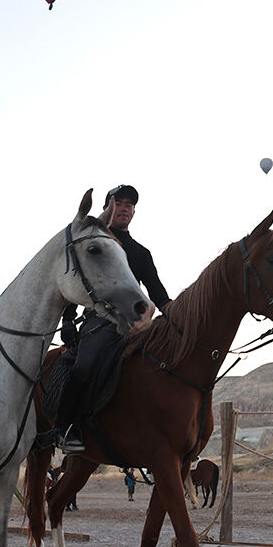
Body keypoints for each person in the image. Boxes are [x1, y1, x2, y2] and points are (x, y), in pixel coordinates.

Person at [57, 184, 172, 452]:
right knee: (84, 366)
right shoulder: (91, 243)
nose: (124, 209)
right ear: (107, 208)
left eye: (129, 205)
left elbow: (158, 293)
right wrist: (68, 319)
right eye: (118, 203)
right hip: (101, 321)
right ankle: (65, 428)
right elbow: (73, 282)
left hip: (137, 323)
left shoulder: (141, 253)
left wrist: (180, 319)